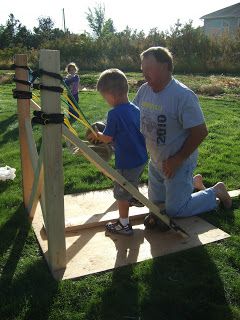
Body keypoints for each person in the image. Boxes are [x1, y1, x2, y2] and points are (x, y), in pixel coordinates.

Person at [133, 46, 232, 219]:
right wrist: (105, 128)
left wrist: (177, 160)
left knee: (175, 211)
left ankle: (215, 191)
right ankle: (193, 184)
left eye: (149, 69)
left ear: (164, 66)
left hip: (178, 163)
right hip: (156, 160)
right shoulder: (144, 90)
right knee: (156, 206)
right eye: (143, 70)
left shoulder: (182, 95)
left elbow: (200, 132)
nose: (144, 74)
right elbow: (132, 114)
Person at [88, 69, 148, 235]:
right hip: (141, 158)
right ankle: (134, 196)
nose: (105, 101)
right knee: (131, 181)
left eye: (104, 96)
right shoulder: (135, 109)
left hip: (127, 161)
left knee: (121, 193)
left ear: (111, 94)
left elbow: (107, 138)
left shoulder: (114, 113)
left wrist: (97, 135)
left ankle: (124, 225)